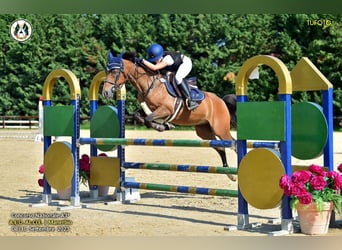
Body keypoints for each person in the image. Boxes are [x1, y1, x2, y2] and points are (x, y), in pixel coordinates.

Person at [140, 43, 198, 111]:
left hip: (185, 63)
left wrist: (142, 61)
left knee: (178, 78)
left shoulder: (167, 59)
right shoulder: (159, 57)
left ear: (160, 56)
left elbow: (155, 68)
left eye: (156, 59)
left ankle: (190, 100)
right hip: (174, 66)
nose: (155, 61)